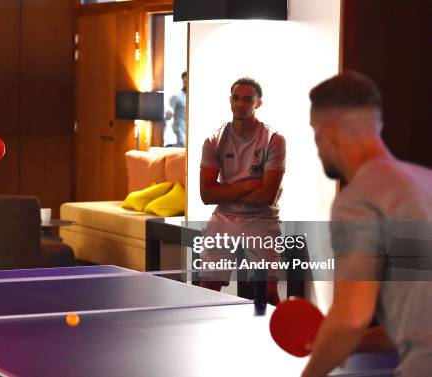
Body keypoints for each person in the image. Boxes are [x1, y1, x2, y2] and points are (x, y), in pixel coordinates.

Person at [302, 71, 432, 377]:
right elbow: (415, 318)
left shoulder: (358, 200)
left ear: (327, 132)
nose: (318, 146)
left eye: (315, 134)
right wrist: (349, 344)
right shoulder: (423, 184)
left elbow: (351, 317)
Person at [198, 77, 286, 305]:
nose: (240, 104)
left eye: (248, 99)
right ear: (230, 99)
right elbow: (207, 195)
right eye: (236, 98)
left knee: (267, 291)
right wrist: (250, 184)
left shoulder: (274, 140)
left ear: (258, 104)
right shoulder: (214, 140)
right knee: (206, 288)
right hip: (224, 217)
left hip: (261, 218)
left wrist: (225, 189)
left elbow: (267, 196)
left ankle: (280, 337)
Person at [165, 71, 187, 147]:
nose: (186, 83)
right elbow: (169, 112)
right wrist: (169, 113)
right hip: (180, 130)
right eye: (184, 81)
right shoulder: (176, 96)